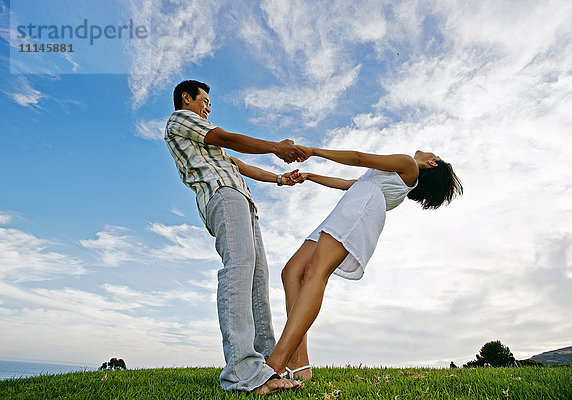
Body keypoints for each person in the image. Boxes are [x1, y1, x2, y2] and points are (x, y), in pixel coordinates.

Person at [266, 146, 463, 381]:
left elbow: (359, 158)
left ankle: (275, 364)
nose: (432, 152)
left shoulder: (408, 164)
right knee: (292, 272)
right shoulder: (397, 179)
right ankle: (300, 364)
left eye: (437, 156)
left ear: (432, 163)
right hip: (352, 205)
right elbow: (350, 184)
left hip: (359, 209)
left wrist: (313, 151)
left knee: (316, 273)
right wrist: (310, 177)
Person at [164, 80, 307, 394]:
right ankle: (242, 371)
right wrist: (275, 146)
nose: (208, 108)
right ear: (186, 99)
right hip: (223, 196)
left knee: (258, 276)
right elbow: (226, 137)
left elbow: (240, 165)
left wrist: (281, 179)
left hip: (243, 200)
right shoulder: (180, 120)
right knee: (240, 269)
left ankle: (268, 367)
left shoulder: (208, 145)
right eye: (205, 101)